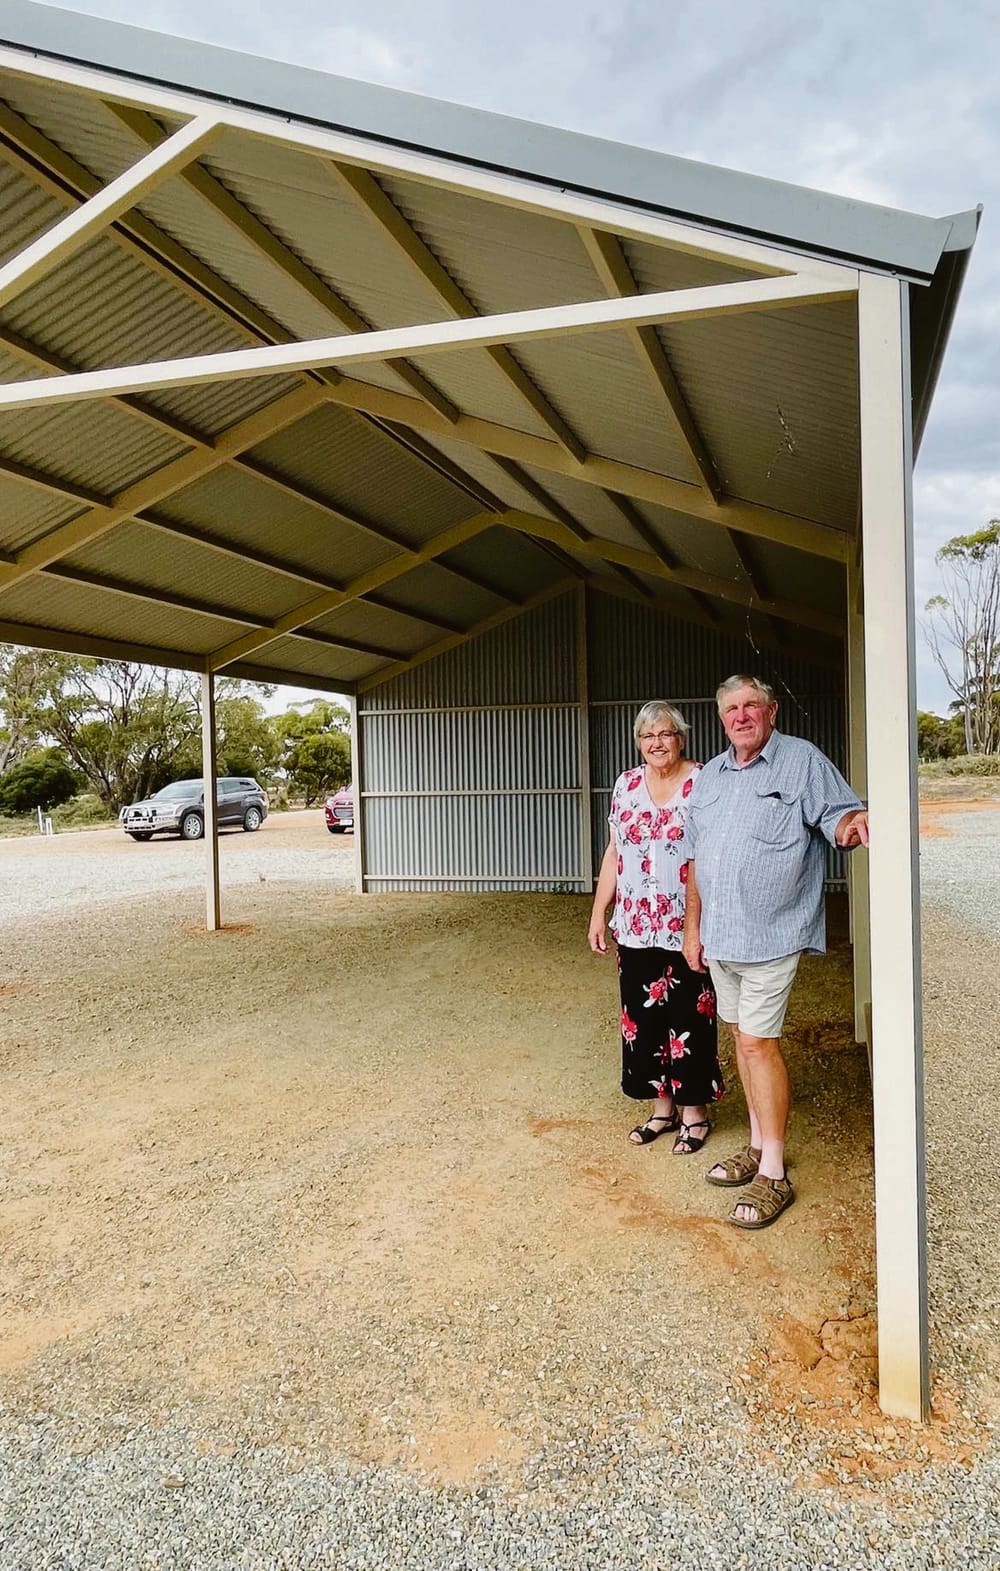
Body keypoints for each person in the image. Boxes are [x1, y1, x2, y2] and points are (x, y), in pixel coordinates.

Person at [682, 675, 868, 1230]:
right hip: (721, 936)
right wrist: (693, 931)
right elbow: (696, 861)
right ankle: (760, 1143)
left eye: (751, 707)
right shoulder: (711, 776)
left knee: (759, 1046)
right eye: (731, 709)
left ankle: (774, 1172)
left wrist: (852, 826)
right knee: (742, 1041)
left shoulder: (801, 761)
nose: (741, 716)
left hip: (772, 935)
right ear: (721, 719)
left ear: (771, 711)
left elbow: (838, 814)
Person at [588, 700, 724, 1154]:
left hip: (687, 925)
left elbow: (710, 855)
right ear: (639, 743)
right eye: (648, 736)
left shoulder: (703, 781)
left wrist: (699, 925)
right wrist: (599, 912)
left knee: (691, 1016)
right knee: (643, 1021)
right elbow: (614, 852)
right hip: (635, 926)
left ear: (680, 738)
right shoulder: (626, 785)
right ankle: (662, 1109)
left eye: (665, 734)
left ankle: (695, 1113)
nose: (657, 743)